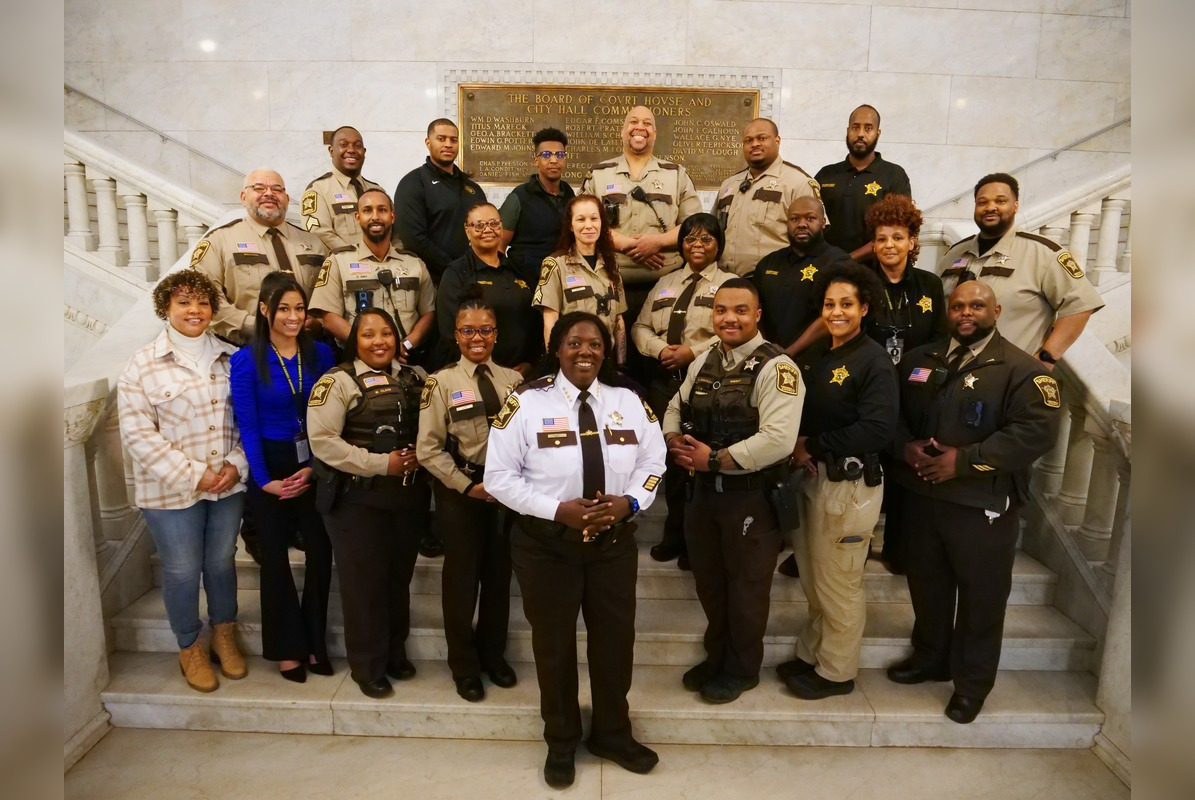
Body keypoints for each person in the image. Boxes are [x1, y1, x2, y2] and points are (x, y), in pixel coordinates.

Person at [486, 312, 667, 790]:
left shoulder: (629, 400)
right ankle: (561, 739)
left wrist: (630, 502)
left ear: (606, 351)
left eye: (594, 344)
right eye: (574, 343)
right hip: (547, 548)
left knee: (614, 643)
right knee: (554, 647)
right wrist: (554, 509)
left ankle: (612, 732)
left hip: (612, 547)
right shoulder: (525, 402)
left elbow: (654, 461)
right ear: (557, 348)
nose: (585, 351)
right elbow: (497, 477)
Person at [887, 281, 1062, 724]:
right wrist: (904, 447)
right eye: (959, 305)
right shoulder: (917, 360)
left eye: (978, 305)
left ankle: (971, 684)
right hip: (922, 497)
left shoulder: (1022, 370)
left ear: (997, 310)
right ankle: (931, 658)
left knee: (982, 599)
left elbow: (1035, 431)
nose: (967, 312)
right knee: (927, 586)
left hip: (980, 503)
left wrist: (964, 461)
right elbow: (889, 416)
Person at [663, 278, 803, 704]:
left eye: (741, 310)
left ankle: (741, 669)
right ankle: (716, 656)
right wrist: (673, 440)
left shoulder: (777, 368)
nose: (730, 318)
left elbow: (778, 439)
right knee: (710, 582)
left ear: (757, 315)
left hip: (751, 497)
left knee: (745, 588)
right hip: (703, 494)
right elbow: (675, 407)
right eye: (722, 310)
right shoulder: (705, 359)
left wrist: (714, 459)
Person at [117, 269, 249, 693]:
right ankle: (189, 645)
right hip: (169, 491)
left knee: (220, 562)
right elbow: (138, 434)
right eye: (184, 303)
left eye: (203, 302)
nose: (195, 310)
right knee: (181, 569)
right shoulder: (142, 365)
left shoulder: (231, 357)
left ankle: (224, 634)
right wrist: (196, 476)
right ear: (165, 308)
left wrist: (235, 465)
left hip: (228, 483)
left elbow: (250, 421)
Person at [778, 263, 898, 701]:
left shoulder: (874, 361)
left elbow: (879, 430)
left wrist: (815, 444)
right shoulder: (825, 356)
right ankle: (814, 653)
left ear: (864, 307)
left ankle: (837, 671)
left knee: (839, 583)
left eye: (846, 304)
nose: (837, 312)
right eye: (830, 304)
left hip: (850, 487)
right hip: (816, 481)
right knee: (814, 578)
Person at [306, 308, 430, 698]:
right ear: (353, 341)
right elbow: (323, 443)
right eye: (368, 335)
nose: (379, 341)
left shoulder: (417, 377)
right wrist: (381, 464)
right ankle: (367, 665)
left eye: (386, 334)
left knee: (398, 580)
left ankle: (395, 653)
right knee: (364, 585)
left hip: (408, 499)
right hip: (356, 501)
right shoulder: (336, 382)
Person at [229, 272, 336, 683]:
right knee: (274, 560)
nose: (293, 317)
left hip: (314, 459)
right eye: (284, 308)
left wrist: (315, 467)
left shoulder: (321, 355)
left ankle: (314, 644)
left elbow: (330, 418)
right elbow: (248, 427)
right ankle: (287, 650)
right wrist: (264, 480)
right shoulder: (246, 360)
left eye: (300, 308)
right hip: (269, 465)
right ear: (264, 309)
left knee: (321, 555)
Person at [416, 297, 524, 703]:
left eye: (485, 330)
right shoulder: (439, 383)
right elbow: (428, 449)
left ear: (496, 334)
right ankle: (464, 666)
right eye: (468, 330)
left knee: (498, 577)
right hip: (461, 491)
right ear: (455, 335)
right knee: (462, 581)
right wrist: (466, 486)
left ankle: (493, 657)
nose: (477, 338)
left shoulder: (513, 380)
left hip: (505, 493)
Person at [632, 213, 735, 569]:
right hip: (664, 387)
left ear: (718, 244)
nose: (697, 245)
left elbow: (735, 332)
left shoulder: (730, 284)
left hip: (709, 388)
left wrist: (693, 351)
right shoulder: (665, 283)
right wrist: (658, 349)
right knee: (671, 465)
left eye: (706, 239)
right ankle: (673, 534)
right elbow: (640, 326)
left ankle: (698, 544)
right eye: (690, 239)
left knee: (701, 466)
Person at [582, 106, 703, 381]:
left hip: (664, 289)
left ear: (655, 133)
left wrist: (657, 242)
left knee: (657, 364)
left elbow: (694, 225)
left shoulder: (676, 174)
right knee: (612, 363)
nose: (640, 127)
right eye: (633, 122)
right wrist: (629, 246)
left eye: (647, 123)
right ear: (623, 131)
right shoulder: (599, 174)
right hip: (610, 286)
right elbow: (583, 221)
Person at [937, 173, 1104, 366]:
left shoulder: (1043, 253)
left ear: (1015, 206)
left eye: (1001, 201)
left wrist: (1045, 359)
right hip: (952, 372)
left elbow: (1080, 306)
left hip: (1010, 378)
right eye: (982, 202)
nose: (990, 207)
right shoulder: (954, 254)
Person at [860, 194, 944, 574]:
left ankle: (897, 548)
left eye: (897, 237)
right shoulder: (860, 283)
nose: (889, 245)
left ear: (912, 242)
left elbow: (941, 340)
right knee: (864, 469)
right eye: (881, 238)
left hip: (916, 393)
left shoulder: (929, 285)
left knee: (906, 469)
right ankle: (857, 546)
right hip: (868, 393)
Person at [192, 168, 328, 345]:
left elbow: (331, 296)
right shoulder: (218, 241)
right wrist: (256, 326)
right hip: (247, 348)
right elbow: (207, 299)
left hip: (310, 349)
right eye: (259, 188)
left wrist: (320, 323)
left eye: (277, 189)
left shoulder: (315, 243)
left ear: (286, 199)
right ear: (243, 197)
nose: (269, 194)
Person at [309, 188, 435, 364]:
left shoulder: (414, 263)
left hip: (408, 360)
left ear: (392, 216)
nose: (375, 216)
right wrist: (368, 346)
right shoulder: (338, 261)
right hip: (356, 361)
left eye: (382, 210)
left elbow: (429, 313)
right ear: (358, 218)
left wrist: (405, 345)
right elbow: (329, 317)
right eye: (367, 210)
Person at [437, 203, 538, 373]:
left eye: (494, 224)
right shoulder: (456, 273)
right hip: (478, 374)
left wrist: (531, 363)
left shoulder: (517, 268)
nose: (488, 230)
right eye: (479, 225)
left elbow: (536, 320)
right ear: (467, 231)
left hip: (523, 374)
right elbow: (449, 331)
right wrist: (490, 370)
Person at [750, 196, 856, 358]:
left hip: (821, 361)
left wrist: (788, 353)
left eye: (810, 218)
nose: (801, 224)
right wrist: (766, 349)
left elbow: (835, 314)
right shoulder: (768, 263)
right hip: (769, 360)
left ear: (823, 223)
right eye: (794, 218)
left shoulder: (838, 262)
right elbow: (755, 311)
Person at [715, 118, 821, 277]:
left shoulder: (798, 182)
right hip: (726, 280)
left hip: (774, 281)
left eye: (762, 138)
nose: (755, 144)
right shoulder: (729, 184)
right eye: (748, 140)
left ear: (777, 141)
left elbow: (814, 240)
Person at [534, 194, 627, 363]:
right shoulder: (555, 264)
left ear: (602, 223)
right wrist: (554, 364)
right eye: (581, 220)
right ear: (570, 225)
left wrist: (621, 365)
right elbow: (550, 322)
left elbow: (619, 322)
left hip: (605, 363)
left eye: (594, 219)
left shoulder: (611, 265)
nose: (589, 226)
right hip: (572, 362)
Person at [393, 118, 487, 285]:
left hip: (474, 278)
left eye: (454, 140)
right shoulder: (413, 183)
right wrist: (454, 268)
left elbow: (484, 231)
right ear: (428, 143)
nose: (448, 144)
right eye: (441, 139)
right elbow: (413, 239)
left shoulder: (472, 188)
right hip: (432, 281)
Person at [814, 105, 912, 262]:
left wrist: (849, 259)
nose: (860, 134)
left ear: (878, 134)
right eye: (855, 127)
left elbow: (897, 230)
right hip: (828, 267)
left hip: (876, 270)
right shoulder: (826, 175)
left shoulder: (894, 175)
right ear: (847, 131)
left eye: (868, 128)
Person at [499, 127, 576, 286]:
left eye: (560, 155)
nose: (554, 160)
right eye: (546, 155)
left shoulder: (569, 195)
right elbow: (498, 246)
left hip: (562, 281)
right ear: (536, 160)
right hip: (525, 284)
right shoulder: (519, 196)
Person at [302, 125, 385, 251]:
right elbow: (319, 233)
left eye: (357, 145)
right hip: (343, 267)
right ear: (331, 151)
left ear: (364, 152)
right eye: (343, 145)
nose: (351, 150)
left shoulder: (378, 190)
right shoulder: (318, 190)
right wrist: (358, 257)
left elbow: (395, 233)